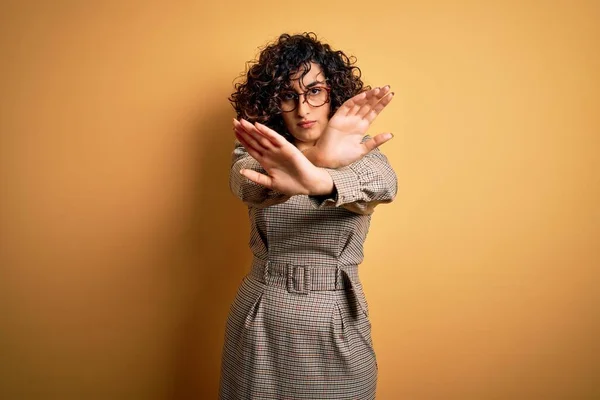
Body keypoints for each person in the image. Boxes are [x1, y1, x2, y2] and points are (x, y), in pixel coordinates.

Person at [220, 32, 397, 399]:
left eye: (314, 91)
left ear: (333, 92)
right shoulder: (260, 146)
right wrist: (318, 160)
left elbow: (383, 185)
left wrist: (321, 173)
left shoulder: (361, 153)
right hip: (261, 315)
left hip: (336, 319)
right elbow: (248, 186)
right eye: (288, 95)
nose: (303, 110)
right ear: (273, 100)